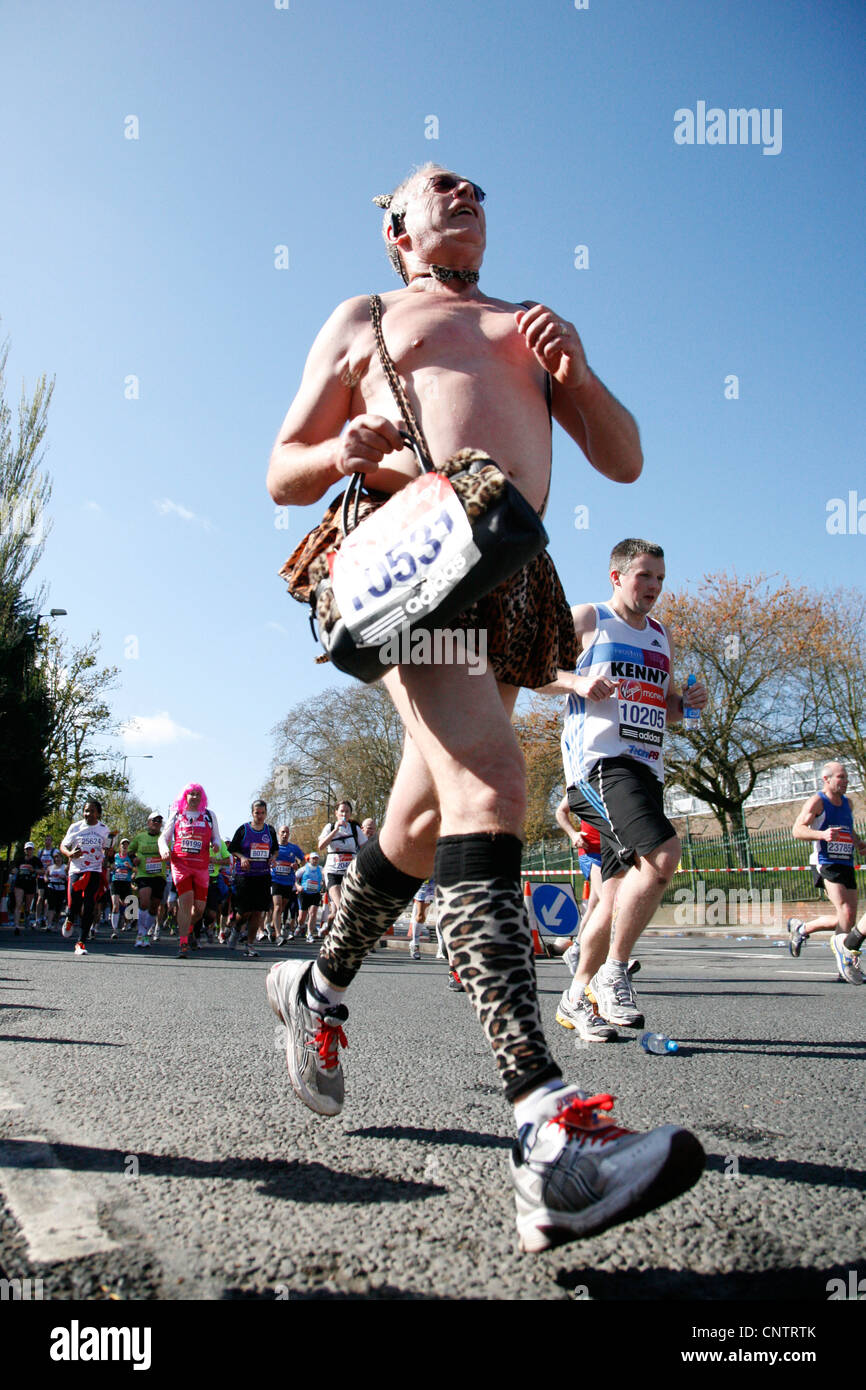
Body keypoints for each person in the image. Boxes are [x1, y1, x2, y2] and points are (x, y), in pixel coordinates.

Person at [264, 165, 704, 1251]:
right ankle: (547, 1133)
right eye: (434, 186)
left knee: (420, 822)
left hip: (509, 570)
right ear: (396, 232)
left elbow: (625, 457)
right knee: (491, 783)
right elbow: (281, 469)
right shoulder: (365, 316)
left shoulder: (530, 322)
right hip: (407, 550)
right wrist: (339, 450)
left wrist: (579, 374)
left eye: (474, 186)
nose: (461, 191)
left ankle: (313, 984)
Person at [545, 540, 707, 1044]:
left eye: (660, 578)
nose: (654, 588)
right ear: (617, 577)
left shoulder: (661, 636)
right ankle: (615, 973)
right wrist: (576, 683)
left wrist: (687, 703)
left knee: (614, 892)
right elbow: (532, 671)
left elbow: (666, 707)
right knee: (664, 855)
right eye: (644, 577)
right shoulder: (589, 619)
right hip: (598, 766)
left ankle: (576, 997)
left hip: (646, 771)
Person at [788, 762, 866, 985]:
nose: (846, 781)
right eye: (841, 777)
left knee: (848, 918)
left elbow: (848, 829)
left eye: (846, 777)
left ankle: (802, 928)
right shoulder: (817, 801)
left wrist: (860, 844)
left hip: (846, 862)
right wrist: (822, 835)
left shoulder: (847, 803)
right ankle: (845, 965)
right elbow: (797, 830)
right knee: (847, 911)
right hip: (825, 862)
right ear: (827, 779)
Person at [159, 784, 222, 959]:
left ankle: (189, 928)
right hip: (181, 864)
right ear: (184, 797)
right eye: (191, 794)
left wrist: (216, 844)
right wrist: (164, 849)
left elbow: (216, 836)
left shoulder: (209, 815)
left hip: (201, 866)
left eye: (197, 794)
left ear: (202, 798)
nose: (194, 797)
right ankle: (183, 943)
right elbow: (163, 837)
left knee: (200, 910)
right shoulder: (177, 814)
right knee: (185, 902)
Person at [60, 799, 115, 956]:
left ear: (98, 813)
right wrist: (70, 854)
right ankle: (70, 918)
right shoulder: (75, 827)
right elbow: (63, 845)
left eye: (91, 811)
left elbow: (107, 850)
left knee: (90, 905)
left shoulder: (104, 830)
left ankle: (81, 942)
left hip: (94, 870)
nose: (88, 814)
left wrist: (109, 853)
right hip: (76, 870)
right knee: (74, 904)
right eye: (85, 811)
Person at [228, 800, 278, 958]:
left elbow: (275, 850)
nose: (260, 816)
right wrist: (242, 857)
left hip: (262, 875)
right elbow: (233, 849)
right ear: (252, 813)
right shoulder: (243, 829)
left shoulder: (269, 830)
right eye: (257, 813)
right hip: (244, 876)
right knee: (244, 912)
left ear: (266, 813)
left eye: (263, 813)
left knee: (258, 912)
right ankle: (236, 928)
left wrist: (273, 858)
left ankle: (250, 945)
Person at [318, 801, 366, 936]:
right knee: (340, 906)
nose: (344, 814)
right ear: (336, 813)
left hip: (350, 873)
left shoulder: (354, 828)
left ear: (350, 814)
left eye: (347, 812)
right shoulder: (330, 827)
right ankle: (346, 938)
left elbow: (366, 847)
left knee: (345, 909)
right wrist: (335, 830)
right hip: (333, 872)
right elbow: (321, 846)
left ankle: (329, 923)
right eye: (341, 811)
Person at [128, 812, 167, 949]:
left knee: (154, 906)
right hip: (144, 874)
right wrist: (134, 859)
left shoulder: (164, 838)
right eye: (154, 820)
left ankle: (146, 933)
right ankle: (141, 933)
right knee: (144, 902)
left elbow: (170, 851)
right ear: (148, 822)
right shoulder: (140, 837)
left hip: (159, 875)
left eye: (159, 821)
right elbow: (130, 850)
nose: (157, 823)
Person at [271, 825, 304, 945]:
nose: (285, 835)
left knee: (282, 907)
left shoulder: (293, 848)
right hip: (275, 880)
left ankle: (272, 927)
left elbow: (303, 860)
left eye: (287, 833)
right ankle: (279, 935)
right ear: (279, 834)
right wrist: (271, 863)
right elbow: (266, 860)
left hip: (288, 881)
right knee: (278, 906)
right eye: (282, 832)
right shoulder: (273, 847)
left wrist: (297, 866)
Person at [109, 838, 135, 939]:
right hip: (116, 882)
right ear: (120, 846)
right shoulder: (115, 856)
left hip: (126, 883)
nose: (124, 846)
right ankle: (114, 930)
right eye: (123, 844)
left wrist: (130, 867)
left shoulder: (130, 857)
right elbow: (108, 865)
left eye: (126, 845)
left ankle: (127, 922)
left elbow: (136, 870)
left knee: (126, 905)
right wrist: (112, 868)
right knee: (115, 905)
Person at [296, 853, 325, 940]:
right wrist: (298, 886)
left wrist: (323, 886)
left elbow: (325, 878)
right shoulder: (304, 869)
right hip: (304, 893)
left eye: (317, 859)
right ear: (309, 859)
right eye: (313, 859)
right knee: (302, 917)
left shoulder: (321, 869)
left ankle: (309, 934)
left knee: (313, 913)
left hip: (315, 893)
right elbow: (295, 878)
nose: (315, 860)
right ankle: (300, 926)